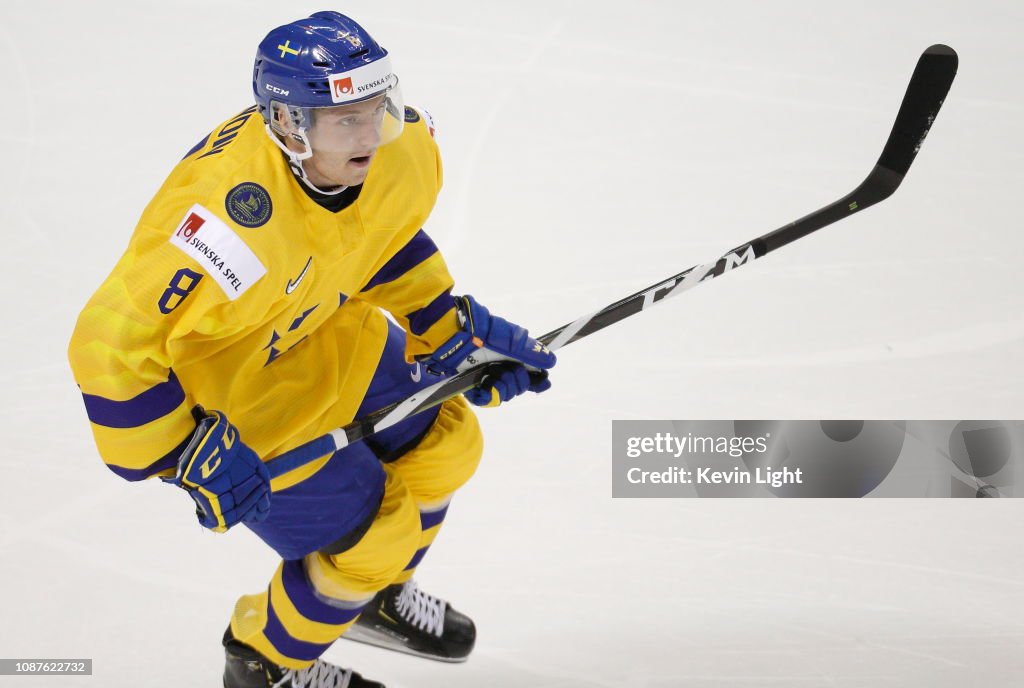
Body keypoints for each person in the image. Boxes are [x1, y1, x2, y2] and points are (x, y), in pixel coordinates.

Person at [67, 11, 556, 688]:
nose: (373, 133)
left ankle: (366, 595)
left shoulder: (397, 148)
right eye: (346, 121)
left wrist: (442, 322)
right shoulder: (226, 223)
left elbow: (372, 237)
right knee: (372, 535)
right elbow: (109, 347)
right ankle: (263, 663)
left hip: (312, 324)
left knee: (449, 442)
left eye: (376, 107)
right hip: (232, 381)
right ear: (289, 124)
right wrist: (180, 453)